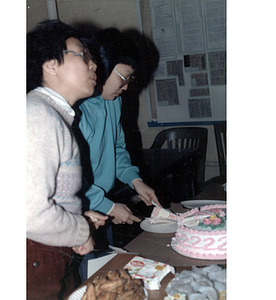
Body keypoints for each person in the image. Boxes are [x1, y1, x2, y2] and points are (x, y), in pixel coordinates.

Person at [26, 19, 108, 300]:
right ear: (50, 65)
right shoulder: (38, 116)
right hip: (33, 260)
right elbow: (28, 212)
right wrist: (79, 230)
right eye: (83, 55)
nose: (93, 64)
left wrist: (75, 216)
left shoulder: (50, 115)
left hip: (44, 254)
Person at [73, 28, 161, 281]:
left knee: (105, 273)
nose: (125, 87)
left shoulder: (113, 101)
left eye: (129, 80)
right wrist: (109, 206)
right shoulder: (77, 108)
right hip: (80, 209)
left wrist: (135, 180)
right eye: (124, 77)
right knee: (86, 281)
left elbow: (116, 149)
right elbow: (71, 177)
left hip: (103, 204)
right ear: (99, 67)